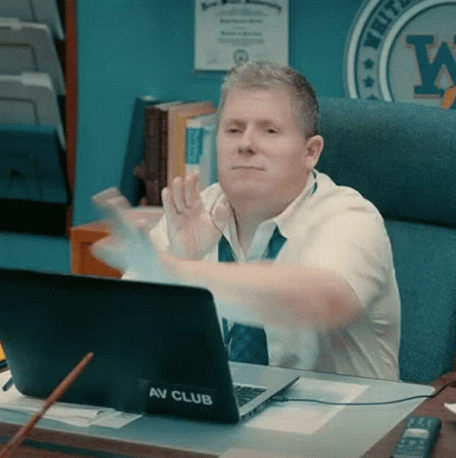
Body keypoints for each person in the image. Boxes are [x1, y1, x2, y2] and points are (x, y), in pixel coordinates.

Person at [93, 61, 400, 381]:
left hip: (342, 411)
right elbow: (122, 334)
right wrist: (183, 258)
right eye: (234, 129)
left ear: (311, 152)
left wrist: (178, 273)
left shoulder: (349, 217)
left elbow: (325, 300)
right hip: (227, 407)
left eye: (269, 130)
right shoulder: (197, 211)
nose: (246, 144)